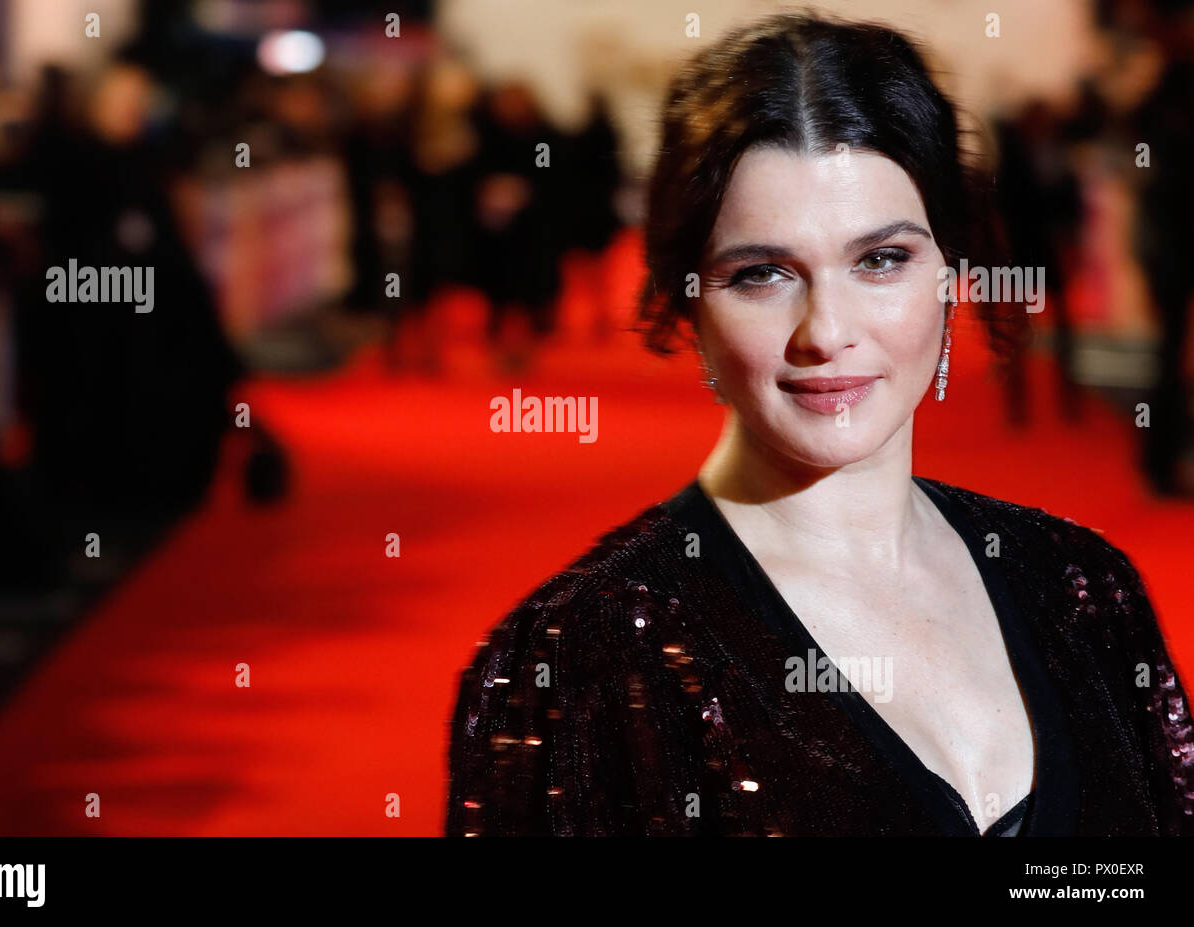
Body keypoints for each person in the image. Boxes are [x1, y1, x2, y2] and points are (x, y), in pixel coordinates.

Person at [445, 14, 1193, 836]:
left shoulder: (1087, 590)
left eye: (881, 260)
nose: (827, 330)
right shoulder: (578, 662)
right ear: (688, 302)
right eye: (761, 274)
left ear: (951, 274)